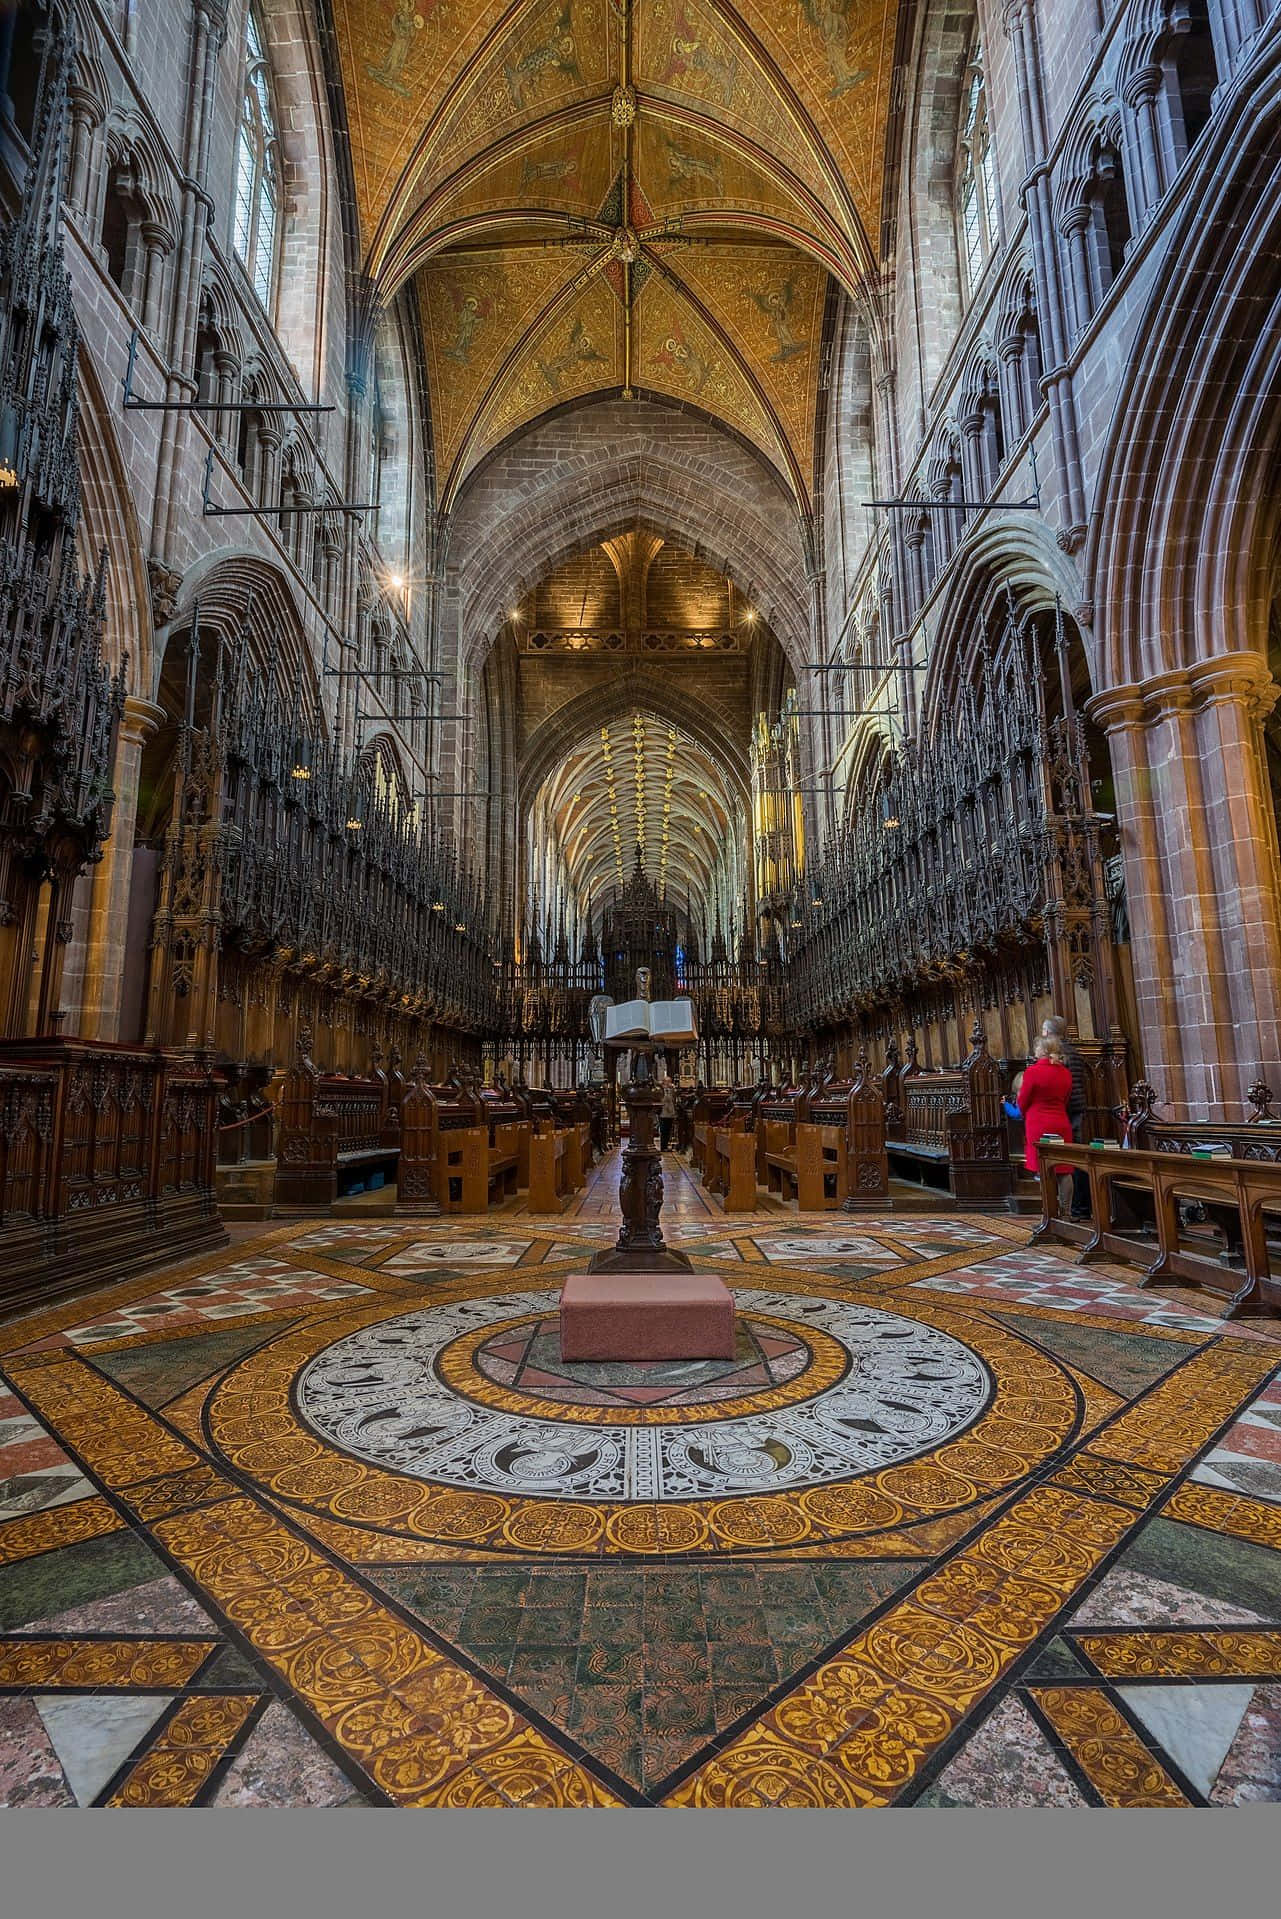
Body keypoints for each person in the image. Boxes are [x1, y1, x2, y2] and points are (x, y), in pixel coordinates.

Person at [1019, 1035, 1075, 1215]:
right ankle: (1065, 1213)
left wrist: (1023, 1112)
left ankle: (1049, 1213)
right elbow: (1066, 1099)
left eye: (1036, 1048)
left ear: (1042, 1051)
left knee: (1044, 1169)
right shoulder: (1065, 1073)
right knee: (1064, 1169)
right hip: (1060, 1121)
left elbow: (1023, 1101)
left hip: (1038, 1123)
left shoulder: (1032, 1072)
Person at [1042, 1015, 1089, 1217]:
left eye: (1044, 1030)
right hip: (1076, 1109)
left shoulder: (1057, 1054)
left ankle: (1069, 1209)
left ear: (1050, 1033)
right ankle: (1081, 1208)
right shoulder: (1074, 1052)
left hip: (1062, 1111)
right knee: (1077, 1159)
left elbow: (1058, 1085)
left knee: (1065, 1162)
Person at [659, 1073, 678, 1151]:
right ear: (664, 1082)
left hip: (670, 1113)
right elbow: (664, 1099)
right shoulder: (661, 1090)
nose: (669, 1083)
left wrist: (673, 1089)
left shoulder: (671, 1090)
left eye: (670, 1081)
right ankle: (663, 1147)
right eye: (667, 1081)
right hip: (663, 1113)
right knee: (664, 1130)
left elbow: (674, 1099)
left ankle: (666, 1146)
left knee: (669, 1130)